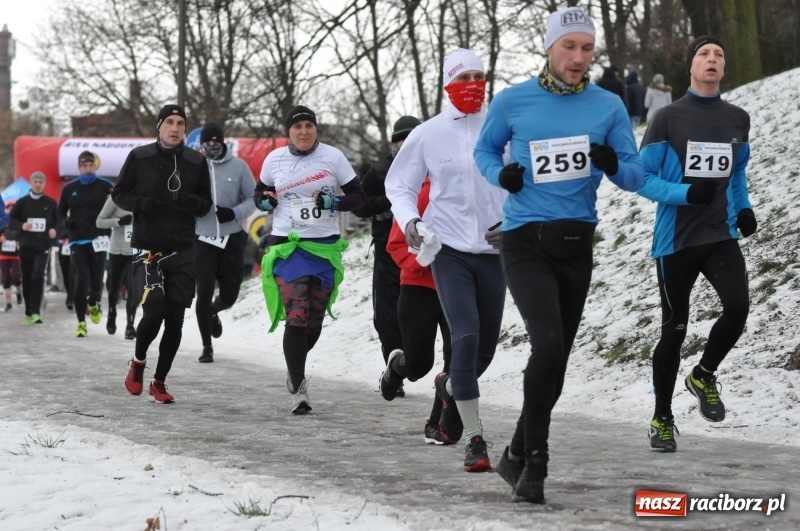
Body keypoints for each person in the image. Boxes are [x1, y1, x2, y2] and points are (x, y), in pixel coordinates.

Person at [474, 6, 644, 503]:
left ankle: (513, 453)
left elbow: (633, 175)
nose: (578, 57)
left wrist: (614, 164)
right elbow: (485, 152)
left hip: (576, 245)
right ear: (549, 48)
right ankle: (535, 466)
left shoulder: (608, 106)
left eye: (586, 48)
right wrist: (500, 175)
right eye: (569, 46)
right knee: (547, 347)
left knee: (558, 361)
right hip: (525, 240)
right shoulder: (512, 102)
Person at [385, 48, 506, 473]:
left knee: (484, 352)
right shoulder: (429, 133)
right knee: (466, 336)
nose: (473, 84)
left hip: (494, 252)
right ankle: (475, 439)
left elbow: (524, 183)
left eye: (479, 75)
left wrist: (512, 222)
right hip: (449, 251)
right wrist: (411, 220)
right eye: (464, 77)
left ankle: (450, 383)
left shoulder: (503, 126)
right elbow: (397, 183)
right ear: (448, 85)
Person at [637, 36, 755, 452]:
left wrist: (743, 209)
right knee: (675, 330)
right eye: (704, 54)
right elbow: (641, 177)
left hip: (719, 234)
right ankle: (662, 418)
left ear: (724, 69)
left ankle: (703, 374)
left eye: (719, 55)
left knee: (738, 307)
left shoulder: (738, 118)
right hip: (677, 241)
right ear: (690, 66)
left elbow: (737, 173)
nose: (712, 59)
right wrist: (685, 194)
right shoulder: (667, 118)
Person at [254, 105, 365, 414]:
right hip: (288, 248)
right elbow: (260, 192)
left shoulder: (333, 157)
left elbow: (359, 196)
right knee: (297, 315)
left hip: (324, 248)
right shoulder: (274, 159)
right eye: (297, 126)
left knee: (313, 323)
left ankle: (295, 368)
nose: (303, 131)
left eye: (308, 125)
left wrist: (336, 202)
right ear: (288, 131)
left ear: (315, 129)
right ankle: (300, 389)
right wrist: (264, 199)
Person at [112, 104, 213, 404]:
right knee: (154, 311)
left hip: (183, 247)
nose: (175, 128)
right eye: (169, 122)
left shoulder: (196, 161)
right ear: (159, 126)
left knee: (176, 320)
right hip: (148, 247)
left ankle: (160, 381)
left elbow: (206, 202)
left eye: (180, 123)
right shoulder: (140, 157)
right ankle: (138, 362)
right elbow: (120, 194)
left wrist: (191, 203)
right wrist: (143, 204)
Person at [354, 115, 422, 397]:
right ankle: (393, 372)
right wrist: (390, 202)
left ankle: (414, 361)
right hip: (386, 250)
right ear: (394, 143)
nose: (405, 144)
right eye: (400, 139)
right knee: (385, 315)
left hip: (420, 253)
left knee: (415, 314)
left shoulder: (431, 167)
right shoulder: (380, 169)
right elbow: (359, 204)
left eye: (411, 138)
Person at [383, 177, 453, 444]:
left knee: (454, 358)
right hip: (418, 286)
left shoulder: (472, 189)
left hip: (457, 287)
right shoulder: (415, 193)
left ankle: (436, 424)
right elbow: (396, 244)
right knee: (418, 366)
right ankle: (396, 367)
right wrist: (422, 261)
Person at [194, 122, 256, 363]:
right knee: (204, 290)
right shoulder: (195, 167)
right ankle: (206, 346)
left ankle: (212, 313)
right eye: (207, 142)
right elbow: (184, 199)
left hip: (231, 237)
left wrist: (235, 213)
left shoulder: (239, 166)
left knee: (230, 294)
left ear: (223, 142)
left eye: (215, 142)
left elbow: (253, 199)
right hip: (203, 238)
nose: (211, 146)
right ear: (201, 144)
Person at [58, 151, 114, 337]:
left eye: (90, 165)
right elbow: (59, 213)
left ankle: (94, 302)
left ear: (95, 166)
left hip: (99, 239)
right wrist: (66, 224)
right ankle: (81, 322)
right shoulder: (69, 188)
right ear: (79, 166)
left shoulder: (106, 186)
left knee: (96, 280)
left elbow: (116, 207)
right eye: (84, 165)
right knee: (81, 278)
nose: (87, 168)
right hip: (77, 239)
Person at [7, 171, 58, 325]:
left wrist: (54, 230)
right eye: (35, 181)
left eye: (40, 182)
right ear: (31, 183)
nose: (38, 184)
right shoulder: (22, 202)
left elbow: (59, 222)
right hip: (26, 245)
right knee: (28, 278)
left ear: (44, 184)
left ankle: (36, 311)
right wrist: (22, 225)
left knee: (38, 275)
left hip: (42, 246)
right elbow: (12, 221)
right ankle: (28, 310)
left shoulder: (51, 203)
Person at [96, 195, 137, 339]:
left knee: (134, 289)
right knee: (114, 288)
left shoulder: (144, 196)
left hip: (136, 250)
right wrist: (118, 221)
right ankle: (112, 313)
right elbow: (99, 222)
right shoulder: (115, 198)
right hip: (117, 250)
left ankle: (130, 325)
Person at [0, 199, 22, 312]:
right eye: (9, 207)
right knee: (6, 279)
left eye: (13, 208)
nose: (11, 209)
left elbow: (23, 235)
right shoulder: (2, 222)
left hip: (15, 255)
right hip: (3, 255)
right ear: (6, 209)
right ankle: (8, 303)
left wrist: (19, 241)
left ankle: (19, 293)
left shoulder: (18, 222)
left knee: (16, 278)